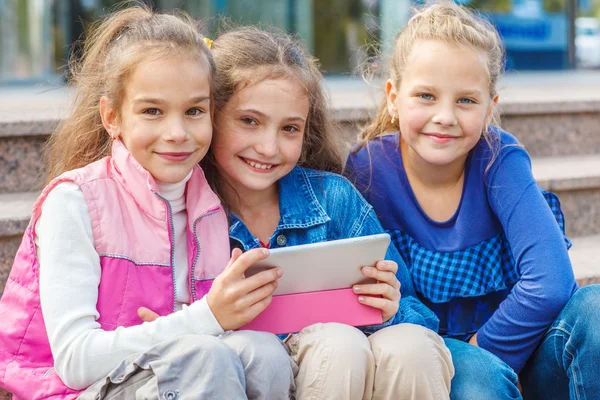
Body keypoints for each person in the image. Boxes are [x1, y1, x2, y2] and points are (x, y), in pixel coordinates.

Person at [0, 4, 296, 399]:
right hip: (63, 391)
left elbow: (198, 334)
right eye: (152, 111)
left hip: (166, 378)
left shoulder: (208, 207)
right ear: (112, 116)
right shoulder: (74, 203)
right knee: (204, 356)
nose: (176, 132)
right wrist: (204, 318)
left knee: (263, 352)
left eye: (194, 111)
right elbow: (74, 361)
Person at [345, 2, 600, 399]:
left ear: (490, 108)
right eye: (426, 96)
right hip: (436, 354)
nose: (445, 116)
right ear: (393, 97)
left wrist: (487, 351)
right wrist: (475, 360)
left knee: (596, 309)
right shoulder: (369, 171)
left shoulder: (499, 159)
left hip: (528, 354)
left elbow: (551, 283)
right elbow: (391, 300)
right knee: (478, 379)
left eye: (466, 100)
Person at [202, 26, 453, 400]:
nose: (268, 147)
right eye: (249, 121)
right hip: (262, 372)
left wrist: (390, 307)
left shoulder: (332, 198)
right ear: (210, 114)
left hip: (355, 366)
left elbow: (420, 315)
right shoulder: (189, 208)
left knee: (411, 346)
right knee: (338, 343)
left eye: (289, 128)